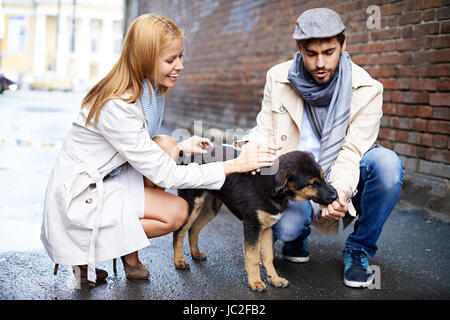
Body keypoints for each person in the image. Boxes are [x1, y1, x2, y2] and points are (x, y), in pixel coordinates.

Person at [40, 14, 277, 285]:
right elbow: (167, 176)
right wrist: (234, 164)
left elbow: (141, 145)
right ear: (144, 58)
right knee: (177, 213)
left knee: (166, 144)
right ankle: (80, 246)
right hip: (81, 196)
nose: (180, 65)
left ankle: (128, 255)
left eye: (181, 56)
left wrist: (179, 145)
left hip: (109, 179)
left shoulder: (146, 89)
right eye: (171, 60)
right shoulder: (117, 105)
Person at [235, 8, 404, 288]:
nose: (320, 63)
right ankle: (296, 236)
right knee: (289, 228)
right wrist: (251, 148)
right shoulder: (278, 78)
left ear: (343, 45)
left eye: (329, 51)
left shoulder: (367, 88)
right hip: (296, 178)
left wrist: (339, 192)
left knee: (387, 164)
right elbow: (264, 128)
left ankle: (359, 249)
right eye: (311, 54)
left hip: (339, 172)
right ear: (300, 48)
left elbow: (352, 152)